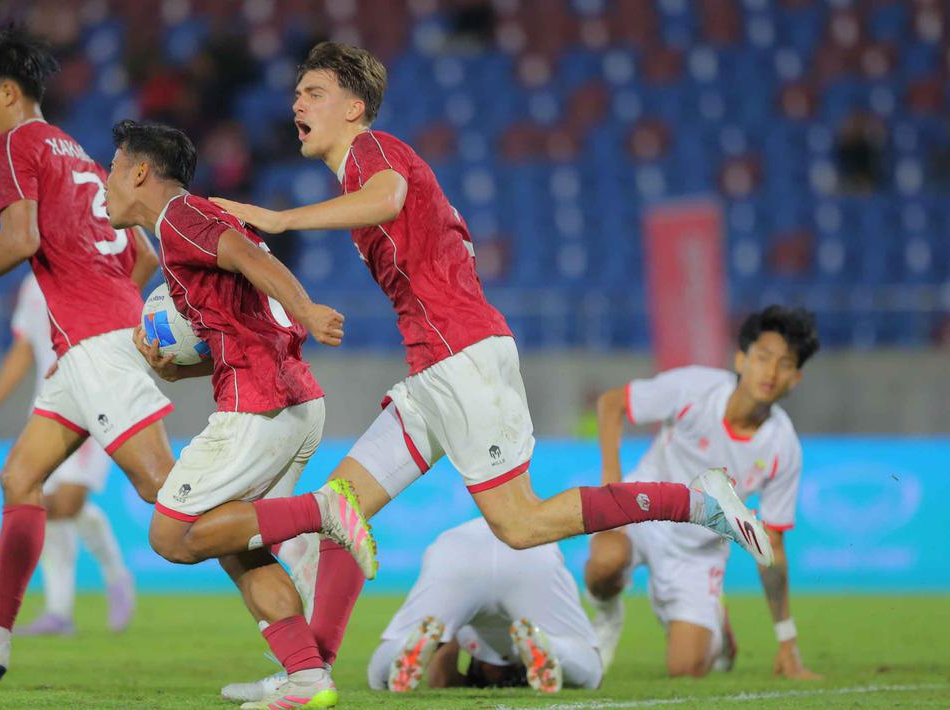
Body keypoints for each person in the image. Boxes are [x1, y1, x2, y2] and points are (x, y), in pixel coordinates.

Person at [207, 41, 773, 686]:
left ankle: (695, 500)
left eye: (313, 93)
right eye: (298, 94)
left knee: (521, 524)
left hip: (461, 358)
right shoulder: (373, 165)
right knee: (339, 510)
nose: (297, 104)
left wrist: (279, 219)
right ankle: (311, 674)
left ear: (354, 107)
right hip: (437, 366)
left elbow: (389, 198)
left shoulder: (375, 151)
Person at [0, 28, 175, 680]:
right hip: (92, 342)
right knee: (20, 479)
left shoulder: (12, 144)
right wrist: (109, 314)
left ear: (7, 93)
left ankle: (299, 529)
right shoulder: (79, 154)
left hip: (96, 344)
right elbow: (141, 253)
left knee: (165, 493)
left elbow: (20, 237)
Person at [104, 119, 366, 709]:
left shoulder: (180, 218)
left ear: (141, 171)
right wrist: (178, 370)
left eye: (113, 171)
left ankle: (323, 509)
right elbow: (251, 323)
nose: (105, 186)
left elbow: (250, 257)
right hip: (291, 398)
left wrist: (308, 305)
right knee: (235, 544)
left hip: (259, 403)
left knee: (171, 535)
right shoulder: (185, 228)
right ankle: (306, 677)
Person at [585, 306, 822, 680]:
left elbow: (771, 546)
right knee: (604, 565)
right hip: (642, 508)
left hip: (698, 549)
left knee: (687, 668)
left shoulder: (784, 447)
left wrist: (786, 641)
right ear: (741, 358)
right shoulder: (696, 387)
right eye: (763, 358)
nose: (771, 372)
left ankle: (717, 630)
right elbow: (611, 403)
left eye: (785, 364)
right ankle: (608, 614)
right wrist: (611, 485)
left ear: (796, 378)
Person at [0, 272, 147, 636]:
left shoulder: (89, 264)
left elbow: (143, 262)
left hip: (96, 397)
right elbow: (24, 349)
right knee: (48, 505)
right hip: (49, 405)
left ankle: (115, 575)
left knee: (65, 502)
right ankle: (59, 611)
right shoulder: (32, 285)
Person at [368, 518, 602, 695]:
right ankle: (557, 651)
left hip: (458, 552)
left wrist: (434, 652)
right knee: (591, 673)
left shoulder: (467, 637)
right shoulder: (523, 640)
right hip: (527, 548)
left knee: (379, 676)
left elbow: (441, 678)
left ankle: (401, 649)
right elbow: (442, 677)